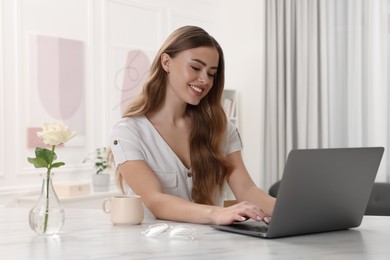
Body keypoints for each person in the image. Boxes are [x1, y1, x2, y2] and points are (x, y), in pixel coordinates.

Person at [109, 25, 275, 225]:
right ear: (166, 62)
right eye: (195, 68)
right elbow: (155, 200)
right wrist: (218, 213)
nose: (204, 80)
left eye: (212, 73)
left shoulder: (221, 129)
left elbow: (247, 190)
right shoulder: (128, 132)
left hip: (210, 249)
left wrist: (293, 210)